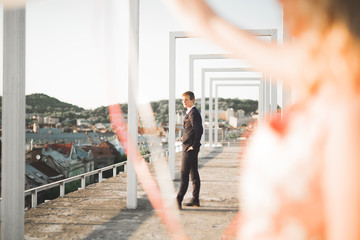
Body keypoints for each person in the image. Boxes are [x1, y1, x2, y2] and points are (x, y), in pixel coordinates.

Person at [166, 0, 360, 239]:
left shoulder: (349, 112)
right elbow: (208, 23)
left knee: (190, 175)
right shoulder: (318, 69)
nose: (280, 8)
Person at [177, 91, 203, 210]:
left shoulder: (193, 113)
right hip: (189, 147)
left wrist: (194, 145)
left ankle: (178, 199)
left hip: (189, 149)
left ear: (192, 100)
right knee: (194, 175)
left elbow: (199, 130)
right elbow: (191, 130)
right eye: (183, 100)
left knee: (184, 175)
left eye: (186, 100)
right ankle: (195, 199)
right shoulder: (191, 112)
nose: (184, 102)